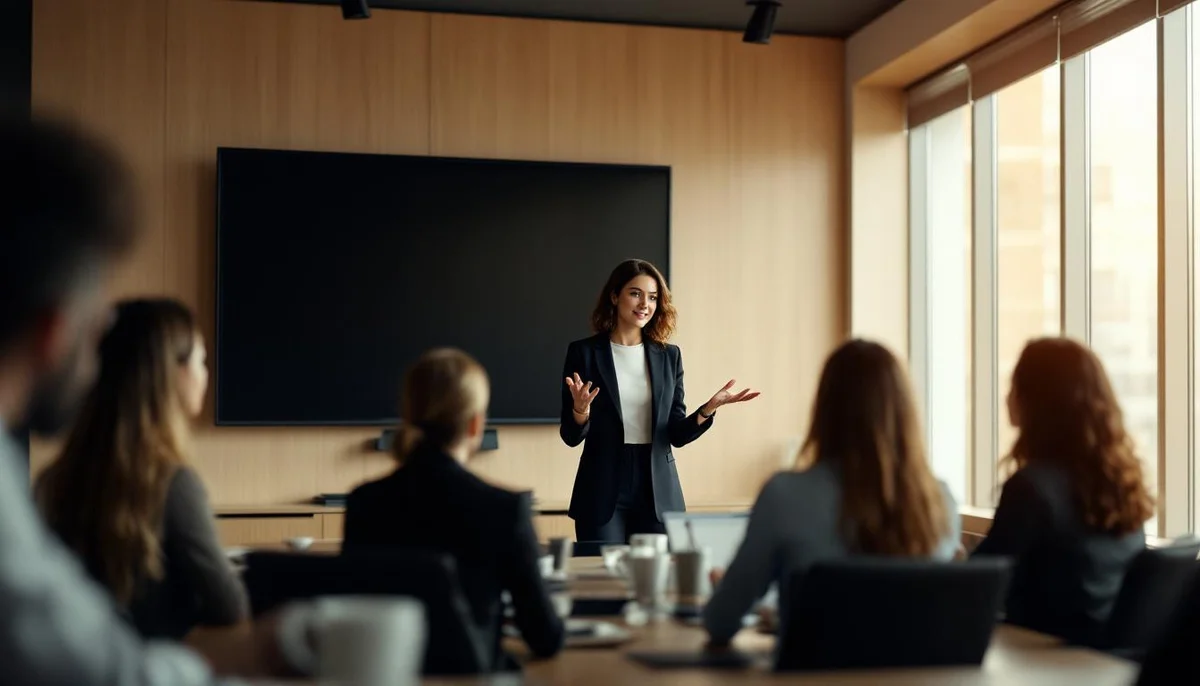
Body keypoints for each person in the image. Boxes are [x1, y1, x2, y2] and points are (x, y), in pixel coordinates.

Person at [0, 112, 279, 684]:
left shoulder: (46, 482)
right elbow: (109, 668)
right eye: (93, 321)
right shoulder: (172, 483)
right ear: (55, 331)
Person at [702, 339, 960, 645]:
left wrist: (729, 593)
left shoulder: (786, 495)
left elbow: (721, 621)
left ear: (825, 409)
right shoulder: (940, 501)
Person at [37, 298, 248, 640]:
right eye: (201, 360)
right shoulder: (173, 485)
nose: (206, 373)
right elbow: (231, 608)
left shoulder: (51, 482)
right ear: (174, 375)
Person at [343, 348, 565, 668]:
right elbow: (545, 638)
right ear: (475, 425)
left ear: (408, 413)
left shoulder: (365, 502)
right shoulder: (506, 509)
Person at [560, 259, 758, 544]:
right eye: (635, 293)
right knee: (604, 577)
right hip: (601, 487)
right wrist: (580, 410)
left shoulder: (669, 356)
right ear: (615, 296)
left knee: (658, 580)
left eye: (653, 297)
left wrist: (708, 409)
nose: (645, 304)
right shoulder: (584, 353)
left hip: (657, 488)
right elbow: (570, 435)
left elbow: (676, 434)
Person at [972, 337, 1153, 645]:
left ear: (1037, 399)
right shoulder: (1121, 483)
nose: (1007, 397)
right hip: (1100, 662)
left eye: (1016, 385)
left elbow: (978, 584)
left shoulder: (1032, 487)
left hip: (1042, 657)